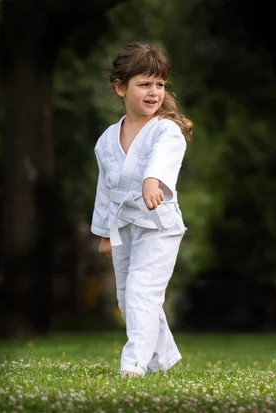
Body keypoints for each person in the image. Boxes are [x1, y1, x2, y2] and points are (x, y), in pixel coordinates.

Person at [90, 41, 193, 377]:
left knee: (142, 291)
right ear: (121, 87)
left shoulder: (167, 131)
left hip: (159, 226)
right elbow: (105, 190)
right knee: (126, 296)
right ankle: (163, 360)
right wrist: (104, 232)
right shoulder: (107, 139)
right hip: (123, 226)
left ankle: (133, 365)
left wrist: (152, 181)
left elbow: (162, 161)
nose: (154, 93)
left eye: (160, 85)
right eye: (144, 84)